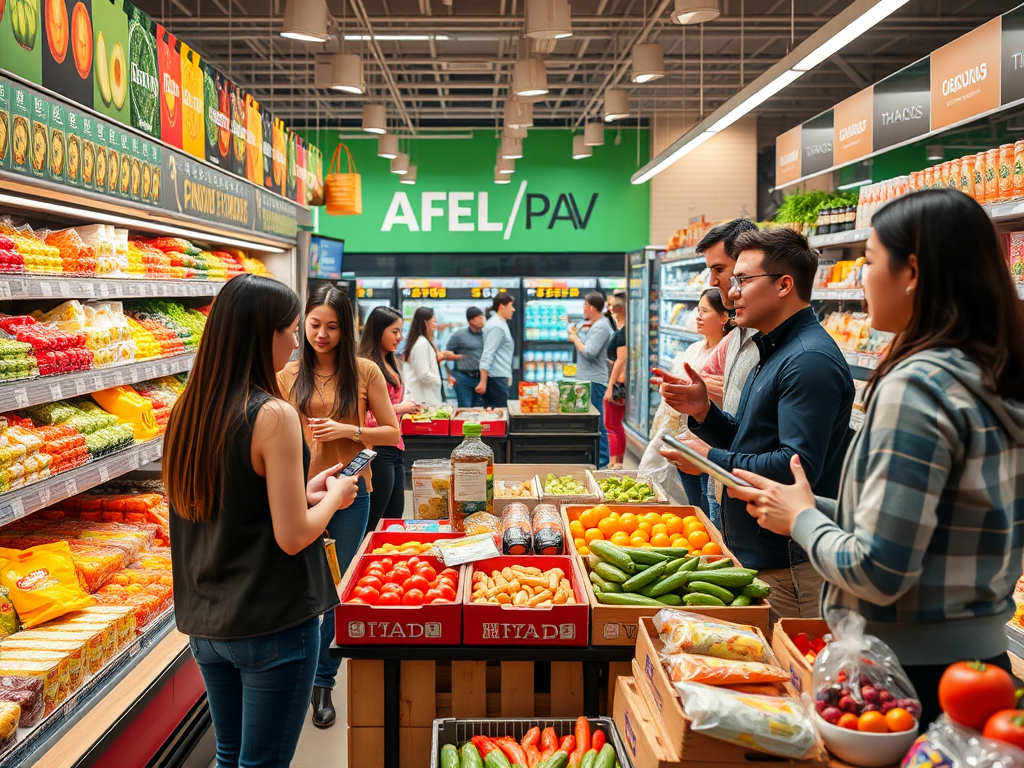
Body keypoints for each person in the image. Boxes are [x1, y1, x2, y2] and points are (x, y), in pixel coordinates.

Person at [728, 189, 1024, 725]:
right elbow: (936, 527)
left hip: (906, 675)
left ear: (911, 271)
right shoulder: (993, 373)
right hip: (982, 668)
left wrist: (802, 519)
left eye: (868, 261)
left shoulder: (920, 385)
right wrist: (810, 504)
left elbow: (878, 571)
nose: (859, 279)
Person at [165, 275, 360, 768]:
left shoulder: (186, 409)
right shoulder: (273, 413)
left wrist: (305, 492)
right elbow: (293, 537)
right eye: (291, 330)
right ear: (260, 334)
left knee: (229, 757)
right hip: (271, 623)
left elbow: (231, 501)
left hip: (208, 625)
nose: (297, 342)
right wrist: (335, 497)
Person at [658, 227, 855, 624]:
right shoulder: (773, 350)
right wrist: (704, 413)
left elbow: (793, 467)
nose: (730, 292)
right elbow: (752, 442)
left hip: (791, 566)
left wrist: (712, 461)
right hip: (764, 557)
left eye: (742, 280)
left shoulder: (807, 361)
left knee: (793, 676)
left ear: (784, 285)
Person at [277, 285, 400, 729]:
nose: (322, 334)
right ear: (302, 324)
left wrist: (350, 430)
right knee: (299, 587)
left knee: (335, 588)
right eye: (314, 325)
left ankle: (323, 682)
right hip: (297, 492)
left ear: (346, 328)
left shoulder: (365, 371)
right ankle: (299, 673)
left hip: (350, 495)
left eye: (332, 326)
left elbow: (391, 431)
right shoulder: (287, 374)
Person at [639, 288, 732, 519]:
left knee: (709, 505)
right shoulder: (693, 349)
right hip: (684, 436)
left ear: (724, 317)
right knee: (693, 508)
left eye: (705, 311)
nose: (698, 316)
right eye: (697, 310)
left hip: (711, 440)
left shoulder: (730, 353)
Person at [360, 306, 418, 531]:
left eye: (401, 331)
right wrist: (399, 408)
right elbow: (364, 416)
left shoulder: (391, 362)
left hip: (396, 448)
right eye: (394, 331)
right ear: (378, 331)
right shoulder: (365, 366)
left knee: (395, 517)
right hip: (377, 448)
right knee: (374, 518)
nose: (400, 337)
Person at [570, 292, 615, 468]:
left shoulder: (601, 327)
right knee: (590, 421)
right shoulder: (595, 325)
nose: (583, 309)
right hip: (587, 380)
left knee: (598, 421)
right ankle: (593, 457)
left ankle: (602, 460)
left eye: (584, 305)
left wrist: (574, 338)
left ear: (592, 307)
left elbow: (589, 353)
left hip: (595, 382)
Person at [402, 306, 446, 406]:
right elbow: (423, 375)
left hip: (421, 397)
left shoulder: (421, 341)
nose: (436, 324)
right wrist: (438, 380)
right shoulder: (422, 343)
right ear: (426, 322)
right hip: (420, 399)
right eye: (434, 321)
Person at [477, 293, 516, 408]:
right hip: (495, 380)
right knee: (498, 416)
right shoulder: (496, 326)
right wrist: (483, 382)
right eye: (511, 306)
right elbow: (488, 354)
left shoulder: (499, 324)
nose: (513, 309)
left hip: (498, 378)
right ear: (501, 307)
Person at [604, 290, 628, 470]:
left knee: (611, 423)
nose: (611, 309)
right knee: (615, 423)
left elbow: (622, 359)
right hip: (620, 380)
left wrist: (610, 387)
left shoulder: (624, 331)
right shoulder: (622, 328)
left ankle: (615, 463)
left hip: (618, 382)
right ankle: (616, 462)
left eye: (615, 305)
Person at [446, 306, 486, 407]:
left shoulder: (486, 335)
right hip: (463, 379)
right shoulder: (459, 335)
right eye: (479, 317)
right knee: (465, 409)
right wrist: (449, 374)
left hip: (480, 378)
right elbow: (446, 354)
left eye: (482, 317)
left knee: (479, 410)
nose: (482, 319)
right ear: (471, 320)